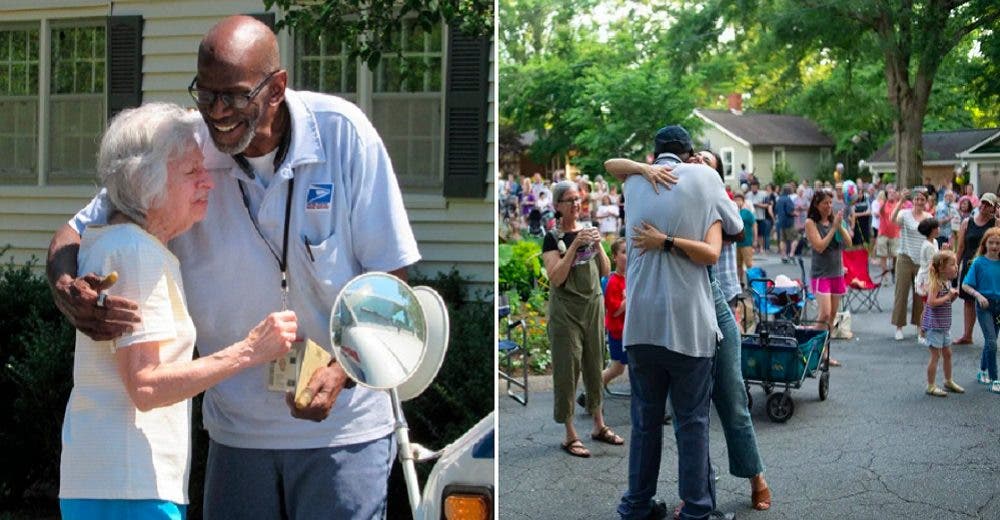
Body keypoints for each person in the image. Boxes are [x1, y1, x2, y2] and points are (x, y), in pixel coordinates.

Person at [47, 16, 420, 519]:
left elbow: (390, 285)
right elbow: (77, 229)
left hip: (343, 433)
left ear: (276, 88)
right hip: (235, 436)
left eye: (235, 96)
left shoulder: (343, 134)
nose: (217, 113)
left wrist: (342, 370)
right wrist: (65, 285)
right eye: (206, 94)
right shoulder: (184, 147)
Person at [58, 103, 299, 520]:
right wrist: (250, 351)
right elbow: (146, 386)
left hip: (110, 480)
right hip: (131, 488)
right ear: (144, 183)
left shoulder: (117, 244)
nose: (208, 181)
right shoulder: (136, 253)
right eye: (191, 173)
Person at [612, 126, 740, 520]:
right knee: (692, 421)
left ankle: (636, 505)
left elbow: (616, 166)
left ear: (654, 155)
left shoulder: (633, 181)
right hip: (688, 322)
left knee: (645, 421)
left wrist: (642, 169)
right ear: (688, 153)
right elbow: (734, 225)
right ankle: (697, 508)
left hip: (641, 323)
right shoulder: (705, 176)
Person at [543, 180, 618, 458]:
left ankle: (599, 425)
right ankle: (570, 434)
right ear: (558, 206)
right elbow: (556, 277)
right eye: (570, 200)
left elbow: (606, 270)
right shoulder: (553, 238)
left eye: (578, 199)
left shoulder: (588, 230)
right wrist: (574, 247)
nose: (576, 204)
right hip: (566, 312)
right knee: (568, 369)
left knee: (595, 363)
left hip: (592, 306)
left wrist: (597, 245)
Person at [804, 190, 850, 367]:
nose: (829, 206)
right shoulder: (811, 223)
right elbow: (820, 246)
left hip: (836, 273)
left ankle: (824, 353)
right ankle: (810, 348)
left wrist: (839, 226)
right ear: (817, 205)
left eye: (831, 203)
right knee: (823, 313)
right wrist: (833, 228)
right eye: (825, 203)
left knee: (831, 317)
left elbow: (848, 243)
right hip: (821, 274)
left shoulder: (835, 221)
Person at [952, 193, 998, 345]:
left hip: (988, 266)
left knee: (991, 300)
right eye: (983, 203)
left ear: (993, 208)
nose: (984, 206)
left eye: (988, 204)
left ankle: (991, 336)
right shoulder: (967, 222)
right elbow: (960, 248)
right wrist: (955, 267)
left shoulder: (996, 223)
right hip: (969, 265)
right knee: (968, 300)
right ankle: (967, 335)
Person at [961, 227, 1000, 393]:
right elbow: (965, 285)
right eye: (991, 242)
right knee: (992, 342)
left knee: (990, 343)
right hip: (984, 305)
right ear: (985, 243)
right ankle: (995, 379)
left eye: (998, 243)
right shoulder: (978, 262)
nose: (994, 246)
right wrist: (978, 296)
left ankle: (982, 371)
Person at [921, 251, 965, 397]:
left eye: (956, 264)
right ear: (941, 268)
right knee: (935, 356)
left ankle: (948, 380)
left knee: (948, 354)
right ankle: (931, 385)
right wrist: (948, 296)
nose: (956, 267)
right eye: (952, 264)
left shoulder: (946, 282)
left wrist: (951, 298)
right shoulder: (936, 284)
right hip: (935, 326)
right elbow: (931, 302)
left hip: (943, 326)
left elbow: (944, 302)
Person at [891, 189, 930, 341]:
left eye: (922, 199)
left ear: (926, 202)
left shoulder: (928, 217)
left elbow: (932, 237)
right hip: (905, 257)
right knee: (901, 293)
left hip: (922, 260)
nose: (919, 202)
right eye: (917, 199)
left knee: (920, 294)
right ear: (913, 200)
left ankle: (919, 325)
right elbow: (892, 219)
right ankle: (899, 327)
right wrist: (901, 201)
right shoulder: (905, 214)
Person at [601, 238, 629, 390]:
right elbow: (614, 310)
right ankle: (592, 390)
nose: (628, 255)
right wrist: (629, 298)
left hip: (629, 331)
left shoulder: (631, 277)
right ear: (615, 257)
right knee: (617, 368)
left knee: (620, 368)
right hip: (618, 333)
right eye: (623, 252)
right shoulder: (614, 282)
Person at [876, 188, 901, 280]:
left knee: (895, 255)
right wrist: (885, 202)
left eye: (893, 192)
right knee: (883, 255)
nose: (891, 194)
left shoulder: (898, 204)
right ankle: (885, 275)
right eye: (890, 192)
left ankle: (894, 270)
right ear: (887, 194)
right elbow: (881, 212)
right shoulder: (883, 203)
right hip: (883, 233)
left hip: (895, 233)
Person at [735, 192, 757, 287]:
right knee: (738, 264)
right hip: (737, 243)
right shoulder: (735, 212)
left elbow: (754, 224)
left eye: (738, 200)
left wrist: (755, 239)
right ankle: (740, 282)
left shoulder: (747, 212)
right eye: (735, 200)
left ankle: (751, 283)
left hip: (747, 242)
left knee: (749, 264)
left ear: (742, 201)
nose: (737, 202)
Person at [775, 184, 797, 263]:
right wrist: (795, 213)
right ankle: (791, 254)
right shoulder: (788, 200)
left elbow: (776, 210)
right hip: (789, 222)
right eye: (791, 188)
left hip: (781, 222)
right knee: (795, 238)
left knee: (782, 240)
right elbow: (790, 211)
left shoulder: (779, 199)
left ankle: (783, 256)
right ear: (788, 190)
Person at [746, 181, 769, 253]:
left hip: (760, 217)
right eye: (752, 187)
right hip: (751, 217)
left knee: (760, 234)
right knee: (752, 233)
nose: (753, 189)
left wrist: (758, 205)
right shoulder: (748, 195)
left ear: (758, 187)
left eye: (755, 187)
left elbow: (767, 205)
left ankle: (761, 248)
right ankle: (753, 247)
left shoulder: (764, 194)